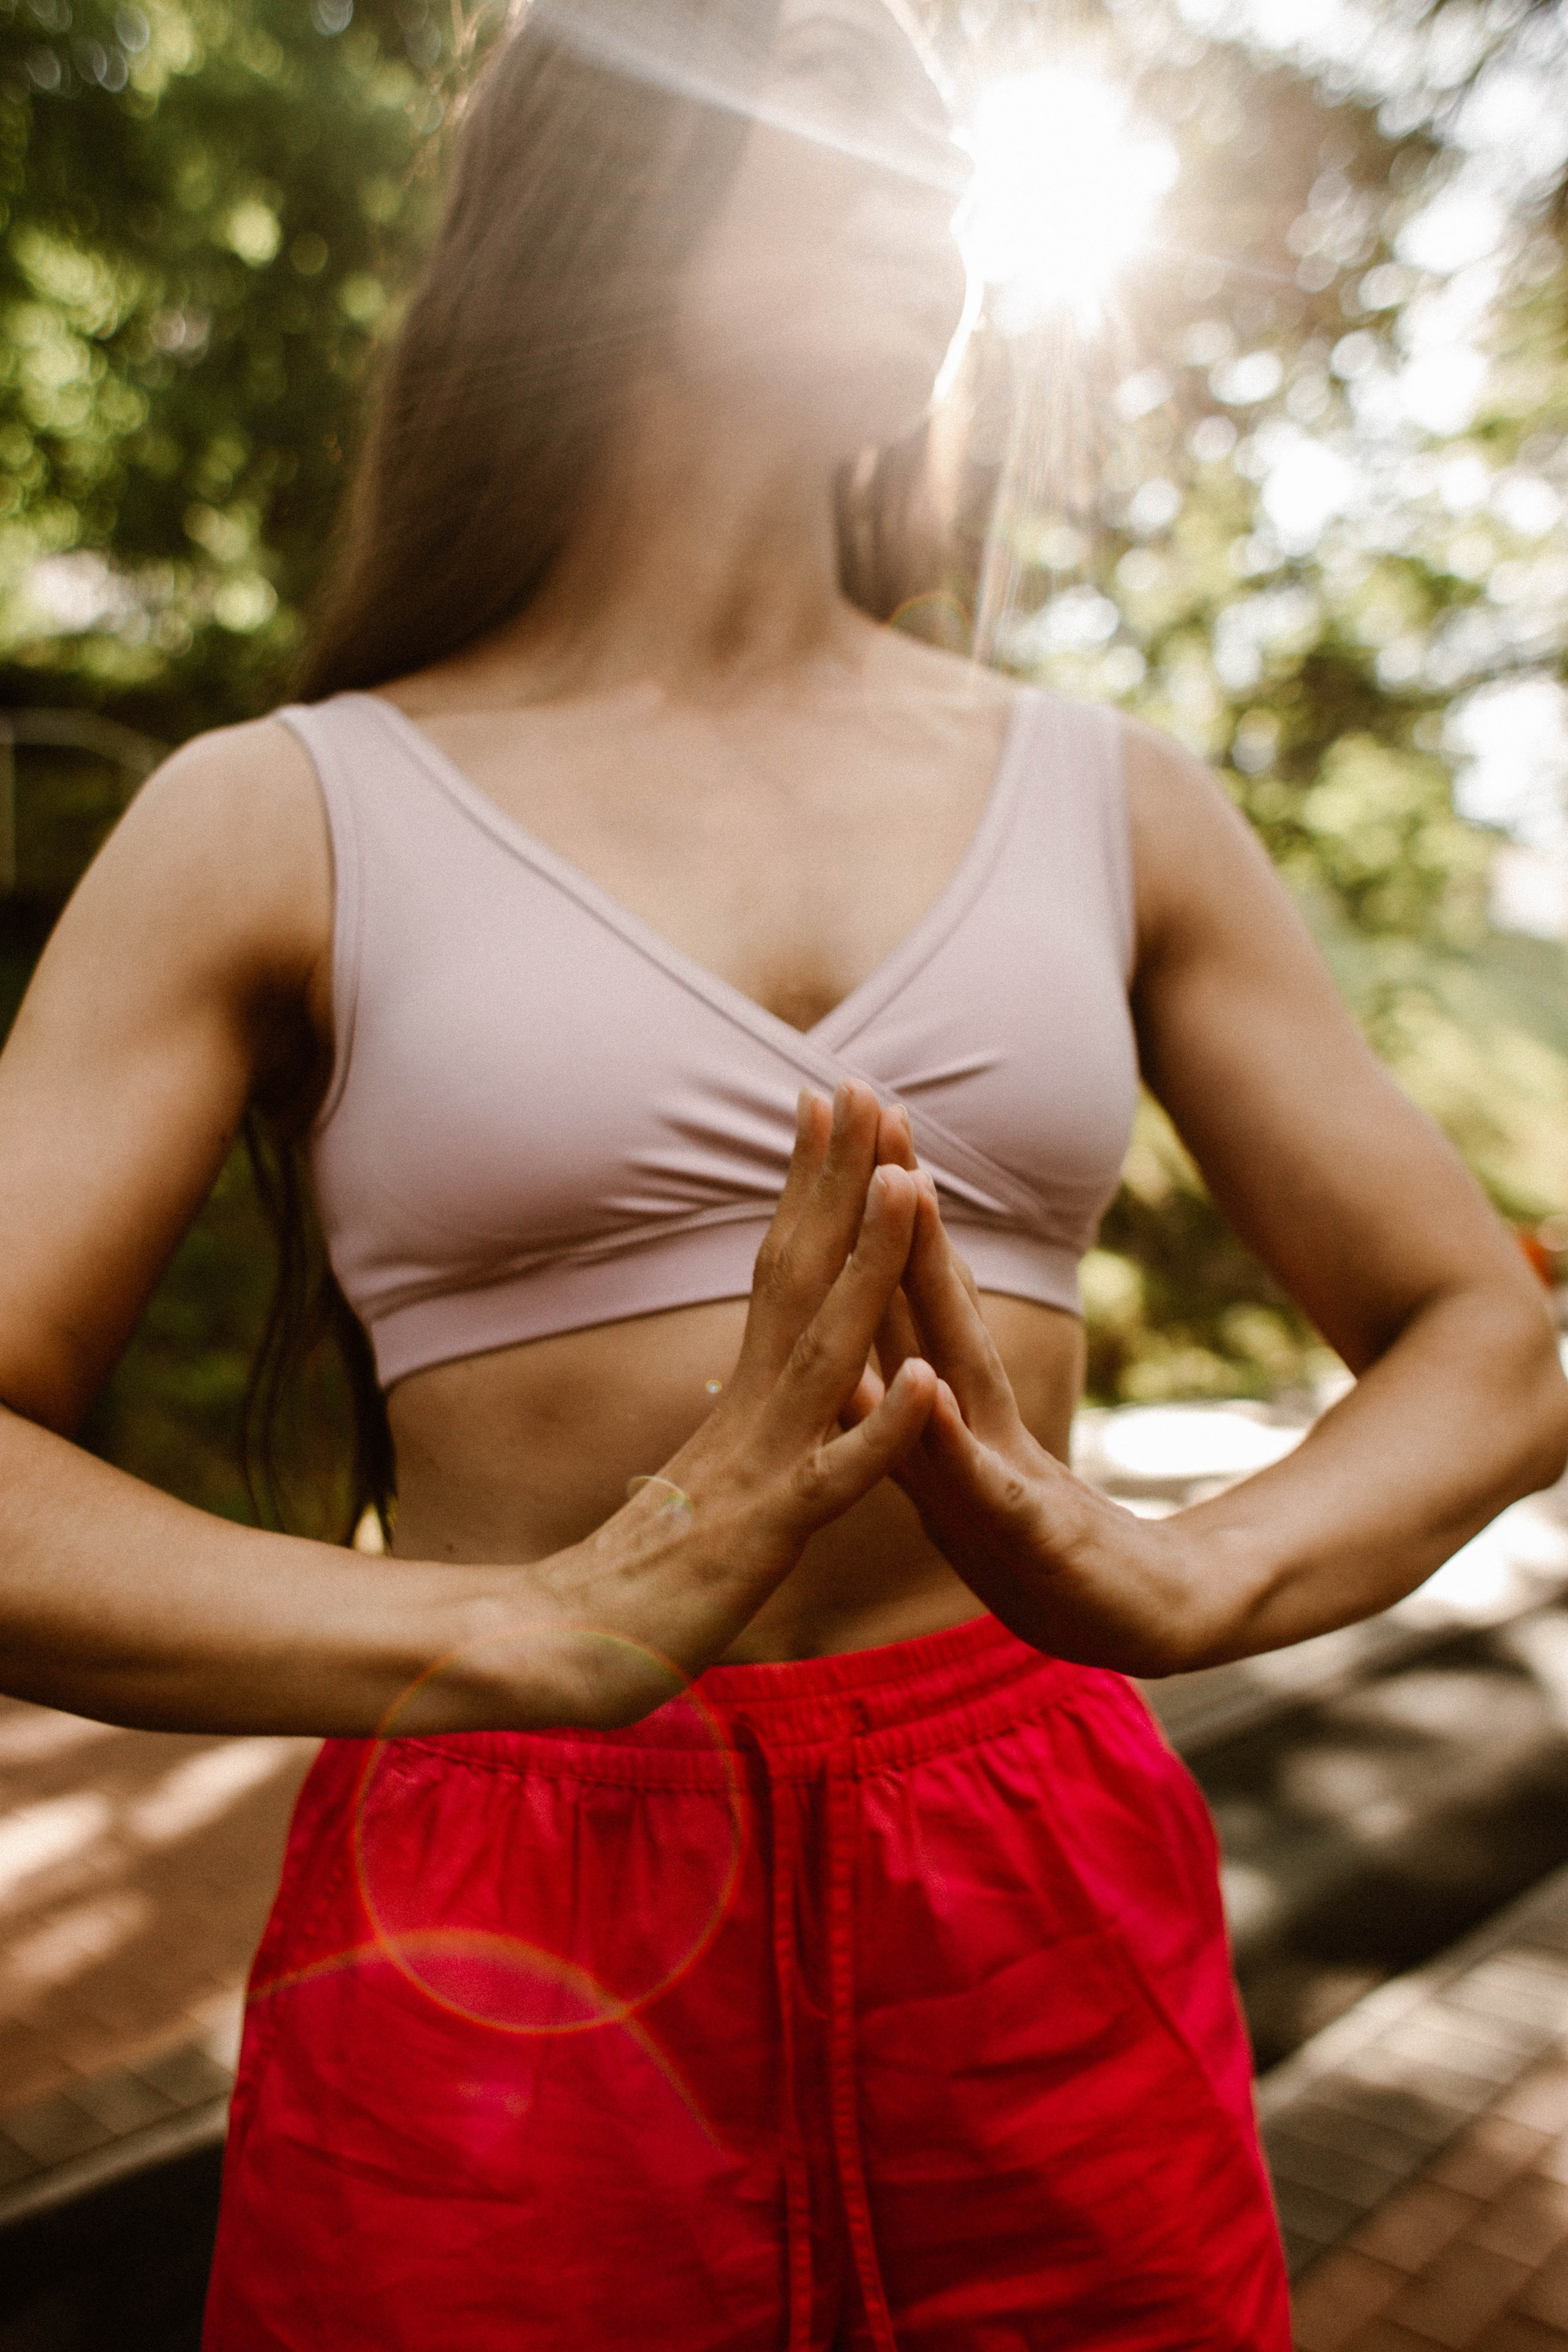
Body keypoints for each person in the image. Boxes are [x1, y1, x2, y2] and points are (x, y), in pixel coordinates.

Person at [1, 0, 1564, 2343]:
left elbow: (1487, 1335)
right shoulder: (280, 805)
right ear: (600, 183)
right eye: (845, 102)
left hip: (1041, 1895)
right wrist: (506, 1630)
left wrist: (1190, 1582)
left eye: (948, 141)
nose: (928, 178)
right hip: (499, 1931)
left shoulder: (1115, 794)